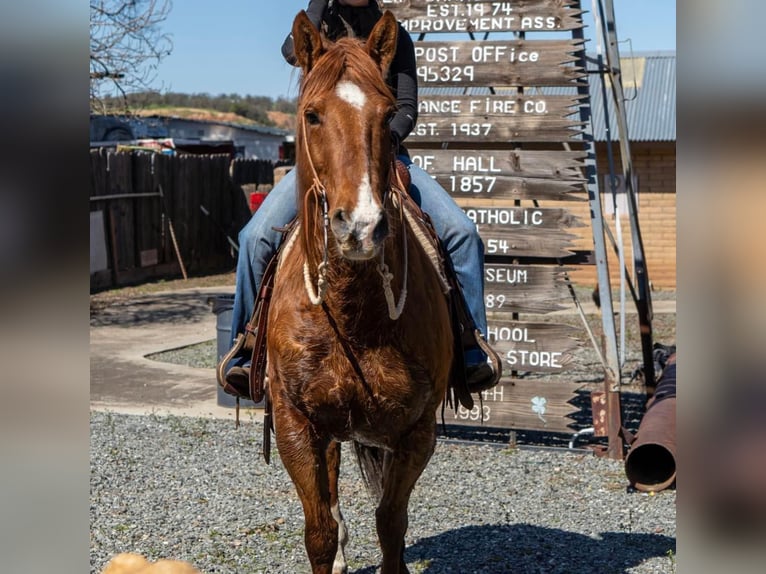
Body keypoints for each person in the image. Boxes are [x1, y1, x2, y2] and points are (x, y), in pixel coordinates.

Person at [225, 0, 497, 392]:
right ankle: (247, 350)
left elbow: (406, 108)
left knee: (462, 234)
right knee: (255, 238)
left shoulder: (393, 35)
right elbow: (291, 52)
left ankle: (471, 347)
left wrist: (374, 141)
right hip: (324, 162)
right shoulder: (318, 26)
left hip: (383, 154)